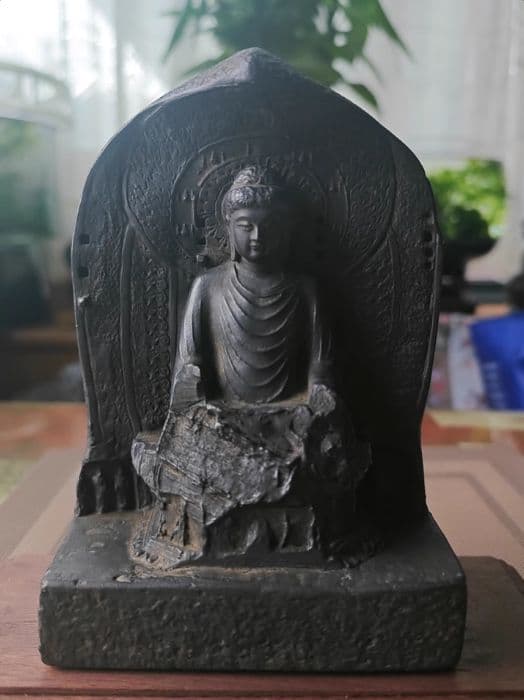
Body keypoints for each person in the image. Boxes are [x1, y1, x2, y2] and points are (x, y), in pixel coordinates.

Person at [170, 165, 333, 408]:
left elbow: (321, 367)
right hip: (222, 416)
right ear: (229, 227)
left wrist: (319, 397)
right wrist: (192, 392)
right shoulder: (206, 286)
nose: (257, 236)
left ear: (284, 229)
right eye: (246, 227)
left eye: (269, 226)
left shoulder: (305, 289)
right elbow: (188, 366)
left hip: (291, 415)